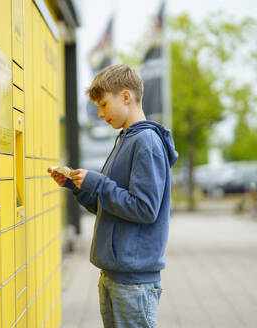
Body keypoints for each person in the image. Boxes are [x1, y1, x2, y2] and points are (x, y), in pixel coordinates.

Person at [48, 64, 178, 328]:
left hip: (133, 281)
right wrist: (77, 187)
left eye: (104, 104)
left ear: (126, 97)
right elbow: (110, 205)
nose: (100, 113)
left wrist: (99, 184)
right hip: (116, 275)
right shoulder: (125, 139)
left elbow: (144, 208)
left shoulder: (146, 143)